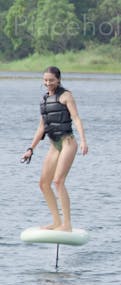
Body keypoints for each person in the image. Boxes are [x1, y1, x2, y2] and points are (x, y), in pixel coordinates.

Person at [21, 66, 88, 232]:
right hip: (54, 145)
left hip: (68, 143)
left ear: (58, 79)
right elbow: (42, 127)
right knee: (43, 184)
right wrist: (31, 148)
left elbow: (76, 119)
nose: (48, 83)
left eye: (51, 80)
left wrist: (83, 141)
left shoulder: (66, 96)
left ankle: (67, 224)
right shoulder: (44, 100)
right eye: (45, 80)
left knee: (58, 181)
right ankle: (57, 222)